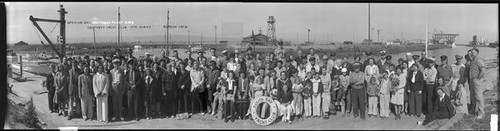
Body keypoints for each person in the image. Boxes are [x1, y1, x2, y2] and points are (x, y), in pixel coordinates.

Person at [468, 48, 486, 119]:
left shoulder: (478, 60)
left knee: (479, 96)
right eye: (471, 52)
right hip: (472, 80)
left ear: (477, 53)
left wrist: (478, 78)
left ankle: (481, 113)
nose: (471, 54)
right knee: (473, 96)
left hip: (476, 80)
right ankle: (474, 110)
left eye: (473, 52)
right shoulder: (472, 60)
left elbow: (483, 70)